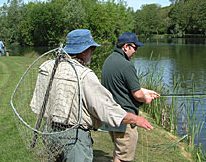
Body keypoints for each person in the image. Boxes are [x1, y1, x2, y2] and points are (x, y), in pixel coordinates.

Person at [30, 29, 154, 162]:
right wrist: (135, 119)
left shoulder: (47, 67)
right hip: (74, 138)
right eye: (92, 50)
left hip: (49, 131)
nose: (92, 54)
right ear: (84, 51)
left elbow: (38, 102)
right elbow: (106, 109)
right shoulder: (85, 75)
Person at [101, 32, 160, 162]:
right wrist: (146, 99)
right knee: (123, 158)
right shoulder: (126, 65)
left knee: (119, 152)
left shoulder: (109, 60)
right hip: (126, 119)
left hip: (112, 117)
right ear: (126, 46)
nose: (136, 51)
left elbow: (121, 86)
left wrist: (145, 91)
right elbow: (137, 95)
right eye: (135, 48)